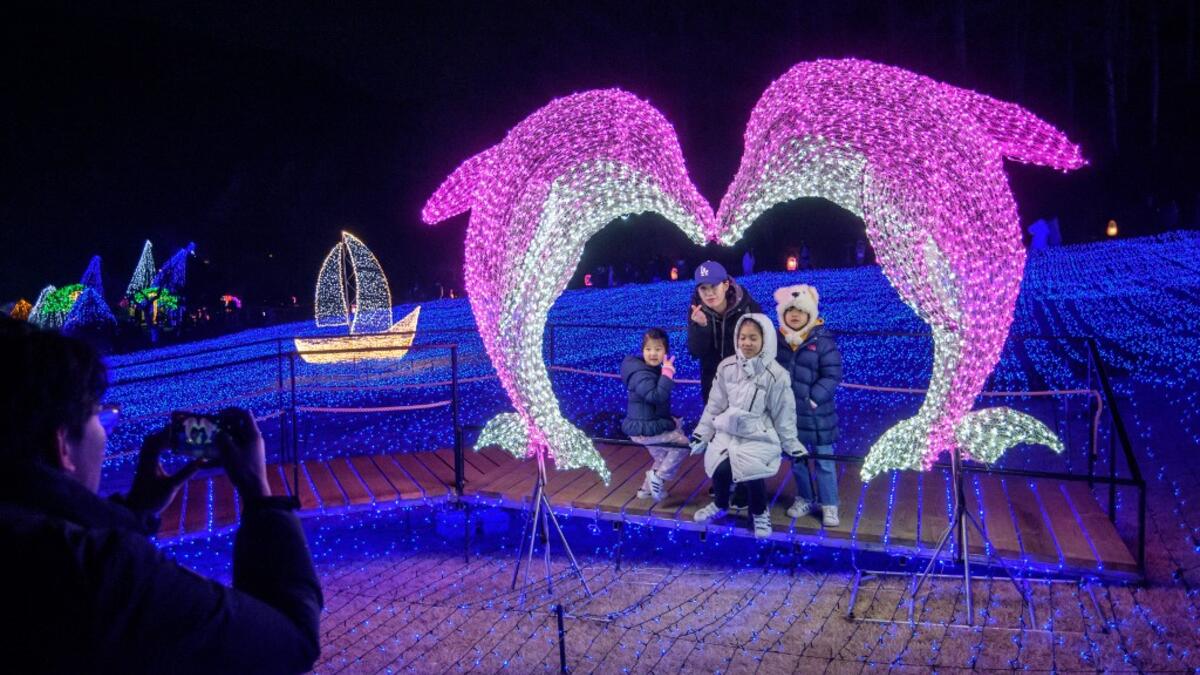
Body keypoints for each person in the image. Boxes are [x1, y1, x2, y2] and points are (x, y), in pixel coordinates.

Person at [0, 318, 322, 674]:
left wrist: (133, 512)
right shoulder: (104, 575)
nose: (105, 431)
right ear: (62, 445)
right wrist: (259, 496)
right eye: (100, 417)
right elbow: (291, 643)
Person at [689, 314, 806, 538]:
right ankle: (721, 504)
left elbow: (784, 413)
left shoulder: (776, 375)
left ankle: (760, 513)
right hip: (730, 429)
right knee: (720, 469)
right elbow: (715, 405)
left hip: (758, 432)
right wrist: (701, 434)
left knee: (752, 473)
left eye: (753, 338)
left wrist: (791, 444)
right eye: (742, 337)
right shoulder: (727, 367)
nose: (746, 343)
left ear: (765, 340)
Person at [774, 284, 843, 527]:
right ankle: (804, 497)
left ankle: (829, 503)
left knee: (824, 460)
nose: (795, 315)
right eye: (790, 310)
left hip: (818, 414)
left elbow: (832, 374)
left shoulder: (822, 340)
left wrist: (814, 398)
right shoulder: (778, 341)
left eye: (800, 311)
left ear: (810, 314)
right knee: (798, 459)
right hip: (790, 414)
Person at [621, 328, 689, 501]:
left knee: (663, 455)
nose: (653, 353)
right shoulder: (641, 374)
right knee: (682, 444)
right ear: (642, 350)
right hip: (644, 429)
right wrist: (667, 373)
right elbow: (656, 396)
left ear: (665, 352)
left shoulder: (647, 370)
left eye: (658, 349)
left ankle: (646, 490)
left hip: (645, 425)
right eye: (648, 349)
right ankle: (658, 478)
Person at [687, 260, 762, 404]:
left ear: (726, 285)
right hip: (712, 382)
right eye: (703, 288)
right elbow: (695, 352)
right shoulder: (696, 311)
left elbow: (763, 346)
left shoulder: (748, 308)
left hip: (744, 380)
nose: (709, 293)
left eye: (714, 286)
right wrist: (701, 326)